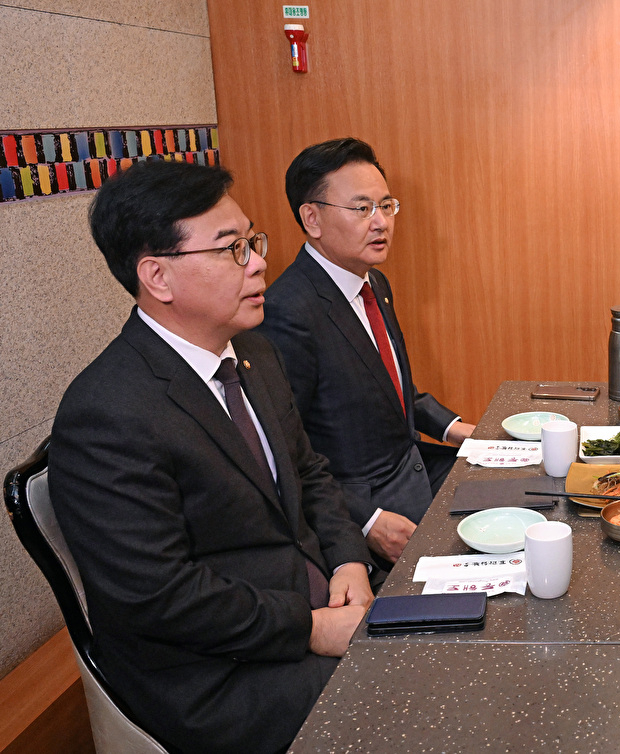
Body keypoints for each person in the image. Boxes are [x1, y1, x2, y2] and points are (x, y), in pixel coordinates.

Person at [48, 160, 373, 753]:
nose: (258, 262)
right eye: (231, 250)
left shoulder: (251, 352)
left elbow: (309, 471)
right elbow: (161, 597)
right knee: (414, 697)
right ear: (158, 278)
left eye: (253, 240)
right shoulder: (106, 415)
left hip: (308, 600)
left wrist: (350, 561)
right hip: (215, 679)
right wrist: (311, 628)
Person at [257, 138, 474, 567]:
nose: (381, 222)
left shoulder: (373, 283)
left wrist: (453, 428)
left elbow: (391, 387)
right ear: (312, 218)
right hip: (366, 504)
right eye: (362, 209)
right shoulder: (288, 311)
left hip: (414, 467)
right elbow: (284, 447)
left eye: (386, 205)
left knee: (526, 487)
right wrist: (367, 521)